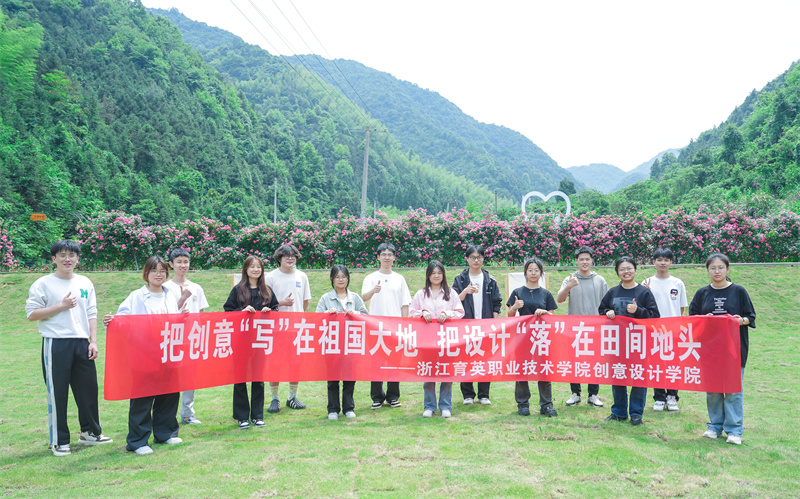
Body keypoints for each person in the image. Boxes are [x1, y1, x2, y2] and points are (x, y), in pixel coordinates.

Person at [26, 240, 113, 457]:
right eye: (62, 255)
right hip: (56, 342)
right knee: (58, 393)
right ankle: (60, 441)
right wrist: (61, 306)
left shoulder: (85, 282)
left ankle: (90, 432)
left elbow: (91, 313)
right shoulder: (43, 284)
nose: (67, 259)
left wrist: (93, 341)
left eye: (72, 255)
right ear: (54, 258)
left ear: (77, 258)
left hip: (82, 342)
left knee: (88, 390)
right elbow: (32, 314)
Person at [103, 256, 190, 455]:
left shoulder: (170, 294)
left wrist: (182, 316)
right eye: (154, 271)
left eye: (162, 271)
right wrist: (111, 320)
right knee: (142, 397)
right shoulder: (136, 296)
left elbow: (172, 321)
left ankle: (165, 433)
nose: (158, 275)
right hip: (144, 354)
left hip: (168, 352)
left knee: (169, 394)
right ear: (146, 274)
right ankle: (137, 441)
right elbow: (122, 318)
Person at [689, 253, 755, 445]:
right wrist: (705, 319)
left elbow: (750, 317)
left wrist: (739, 320)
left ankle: (734, 430)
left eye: (720, 267)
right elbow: (693, 318)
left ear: (727, 269)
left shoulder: (738, 291)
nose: (716, 271)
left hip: (734, 350)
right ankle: (714, 426)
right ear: (707, 270)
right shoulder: (702, 293)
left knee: (733, 390)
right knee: (713, 390)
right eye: (713, 268)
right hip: (710, 350)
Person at [598, 256, 660, 426]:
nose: (626, 272)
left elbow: (655, 316)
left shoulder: (644, 292)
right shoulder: (612, 292)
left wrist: (638, 310)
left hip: (638, 343)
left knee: (638, 377)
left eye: (629, 268)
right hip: (617, 343)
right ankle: (618, 411)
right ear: (617, 272)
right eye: (622, 269)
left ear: (635, 270)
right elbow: (601, 310)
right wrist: (607, 312)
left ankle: (636, 413)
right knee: (618, 376)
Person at [223, 255, 279, 429]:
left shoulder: (267, 291)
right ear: (246, 270)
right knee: (240, 378)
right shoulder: (238, 290)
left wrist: (269, 311)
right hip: (241, 341)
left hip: (260, 341)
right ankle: (242, 417)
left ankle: (257, 415)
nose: (255, 269)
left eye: (258, 267)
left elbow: (277, 311)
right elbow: (227, 312)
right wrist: (242, 311)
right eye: (252, 266)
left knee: (258, 378)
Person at [410, 261, 465, 418]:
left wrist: (448, 314)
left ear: (443, 275)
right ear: (428, 275)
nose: (436, 276)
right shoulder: (421, 294)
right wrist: (422, 313)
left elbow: (460, 312)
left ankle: (445, 406)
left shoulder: (451, 293)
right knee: (429, 372)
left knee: (446, 372)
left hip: (446, 339)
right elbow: (412, 312)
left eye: (439, 273)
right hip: (426, 340)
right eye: (433, 273)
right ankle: (429, 406)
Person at [361, 242, 412, 409]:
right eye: (383, 254)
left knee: (394, 362)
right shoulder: (370, 278)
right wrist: (373, 290)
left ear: (394, 257)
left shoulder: (399, 279)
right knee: (376, 362)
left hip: (395, 326)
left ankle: (393, 396)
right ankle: (377, 397)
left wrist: (405, 325)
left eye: (390, 254)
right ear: (378, 257)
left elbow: (405, 303)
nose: (387, 257)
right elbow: (363, 298)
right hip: (375, 326)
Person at [506, 257, 559, 417]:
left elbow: (552, 316)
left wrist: (545, 312)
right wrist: (514, 307)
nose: (533, 273)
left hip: (541, 338)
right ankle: (523, 404)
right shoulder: (517, 292)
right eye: (530, 270)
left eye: (536, 270)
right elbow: (509, 316)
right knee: (522, 370)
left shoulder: (546, 294)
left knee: (544, 370)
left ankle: (546, 405)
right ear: (525, 272)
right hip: (522, 338)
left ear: (541, 272)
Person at [557, 245, 608, 407]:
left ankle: (593, 394)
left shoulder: (600, 280)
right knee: (574, 360)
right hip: (575, 328)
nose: (584, 262)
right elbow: (559, 299)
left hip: (595, 328)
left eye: (587, 259)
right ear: (577, 261)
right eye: (581, 259)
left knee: (594, 361)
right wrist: (569, 286)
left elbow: (606, 304)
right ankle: (575, 393)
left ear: (592, 260)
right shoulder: (570, 279)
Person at [163, 248, 210, 425]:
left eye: (186, 262)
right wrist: (181, 302)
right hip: (172, 338)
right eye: (179, 262)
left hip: (192, 338)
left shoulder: (196, 288)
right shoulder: (165, 288)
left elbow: (201, 314)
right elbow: (163, 314)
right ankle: (168, 414)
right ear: (171, 264)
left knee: (190, 378)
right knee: (171, 378)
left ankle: (187, 413)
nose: (183, 265)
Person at [451, 245, 502, 406]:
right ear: (467, 259)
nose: (476, 260)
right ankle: (468, 394)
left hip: (485, 326)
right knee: (465, 359)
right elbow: (453, 301)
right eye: (472, 257)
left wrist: (494, 324)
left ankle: (483, 394)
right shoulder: (460, 279)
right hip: (465, 326)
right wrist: (465, 291)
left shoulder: (490, 279)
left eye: (479, 257)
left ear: (483, 259)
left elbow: (497, 303)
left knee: (485, 359)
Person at [316, 265, 368, 421]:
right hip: (332, 343)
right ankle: (333, 409)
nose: (341, 280)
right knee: (332, 377)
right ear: (332, 279)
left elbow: (366, 316)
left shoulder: (355, 298)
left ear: (348, 279)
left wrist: (355, 313)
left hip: (350, 343)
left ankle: (348, 408)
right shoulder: (325, 298)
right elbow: (316, 319)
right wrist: (327, 314)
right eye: (337, 277)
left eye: (344, 277)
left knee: (349, 376)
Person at [264, 244, 311, 412]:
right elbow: (265, 302)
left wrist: (297, 318)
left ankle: (292, 397)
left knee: (295, 363)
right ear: (279, 258)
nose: (290, 259)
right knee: (275, 363)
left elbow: (305, 302)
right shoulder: (270, 277)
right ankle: (274, 398)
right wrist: (281, 303)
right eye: (286, 256)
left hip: (296, 327)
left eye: (293, 256)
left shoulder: (302, 276)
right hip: (276, 328)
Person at [642, 247, 687, 412]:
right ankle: (659, 397)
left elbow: (681, 308)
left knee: (674, 364)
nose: (663, 263)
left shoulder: (677, 283)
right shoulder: (647, 283)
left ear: (671, 262)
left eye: (666, 260)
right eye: (659, 260)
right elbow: (643, 307)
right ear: (654, 262)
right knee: (657, 364)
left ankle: (672, 396)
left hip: (673, 331)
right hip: (654, 331)